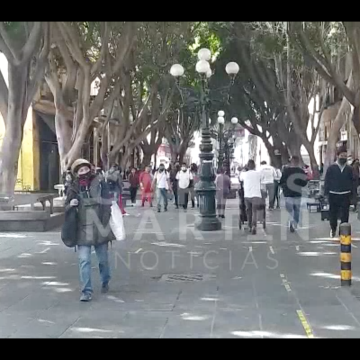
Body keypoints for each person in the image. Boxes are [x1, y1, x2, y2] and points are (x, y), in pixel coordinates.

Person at [65, 158, 113, 302]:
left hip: (100, 229)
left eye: (86, 169)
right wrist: (71, 204)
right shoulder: (73, 188)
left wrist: (104, 222)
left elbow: (107, 204)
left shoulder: (100, 184)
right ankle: (86, 291)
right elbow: (66, 206)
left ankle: (106, 280)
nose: (84, 172)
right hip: (82, 230)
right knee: (84, 261)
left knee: (103, 260)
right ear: (76, 173)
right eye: (80, 170)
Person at [324, 147, 355, 238]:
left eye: (345, 156)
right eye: (341, 155)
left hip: (346, 194)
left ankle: (343, 232)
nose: (343, 157)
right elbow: (327, 181)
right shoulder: (331, 168)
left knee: (345, 215)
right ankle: (333, 228)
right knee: (333, 213)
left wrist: (353, 195)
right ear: (337, 156)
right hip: (333, 194)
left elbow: (353, 181)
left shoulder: (350, 169)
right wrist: (326, 193)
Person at [280, 155, 308, 233]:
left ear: (291, 162)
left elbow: (281, 181)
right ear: (298, 162)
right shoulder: (301, 171)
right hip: (297, 193)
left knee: (290, 209)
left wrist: (284, 188)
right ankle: (294, 224)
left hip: (288, 193)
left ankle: (291, 221)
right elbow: (304, 183)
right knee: (297, 209)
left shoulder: (286, 171)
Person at [240, 160, 264, 235]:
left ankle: (249, 225)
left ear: (247, 166)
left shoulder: (244, 174)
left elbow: (240, 179)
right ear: (254, 166)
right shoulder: (258, 173)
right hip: (256, 194)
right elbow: (262, 179)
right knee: (254, 212)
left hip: (247, 195)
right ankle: (254, 226)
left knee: (248, 211)